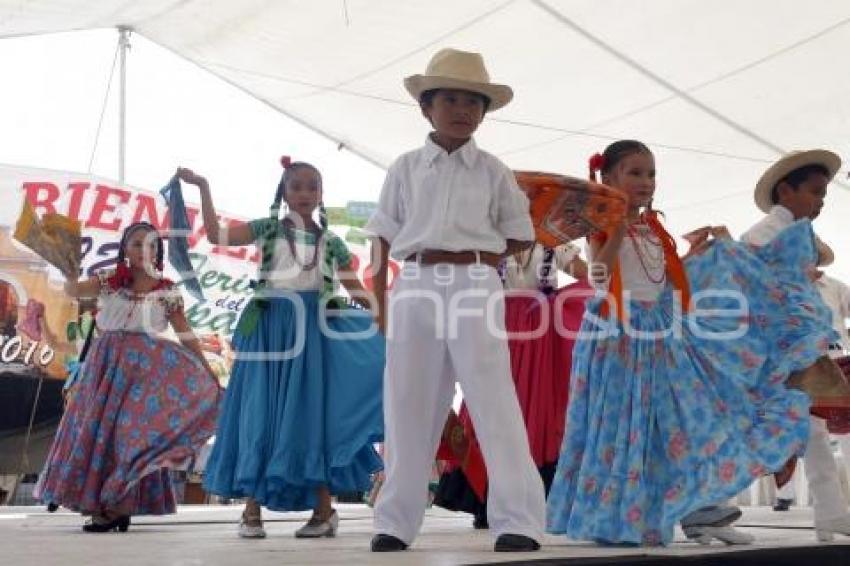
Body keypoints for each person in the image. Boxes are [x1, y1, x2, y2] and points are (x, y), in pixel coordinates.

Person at [547, 140, 825, 546]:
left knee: (691, 419)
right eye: (635, 173)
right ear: (608, 179)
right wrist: (618, 227)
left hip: (663, 332)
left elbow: (664, 284)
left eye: (651, 173)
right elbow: (600, 277)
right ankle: (629, 516)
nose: (646, 181)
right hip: (622, 336)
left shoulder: (654, 228)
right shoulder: (601, 224)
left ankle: (702, 510)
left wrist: (700, 258)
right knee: (631, 428)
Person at [366, 48, 546, 553]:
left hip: (473, 281)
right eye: (450, 99)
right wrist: (380, 302)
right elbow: (380, 236)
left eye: (473, 101)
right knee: (406, 402)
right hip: (416, 281)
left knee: (493, 397)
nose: (462, 109)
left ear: (484, 113)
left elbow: (519, 233)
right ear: (427, 107)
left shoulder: (493, 170)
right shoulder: (404, 167)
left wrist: (479, 259)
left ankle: (519, 520)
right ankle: (395, 521)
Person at [178, 158, 384, 539]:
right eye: (297, 187)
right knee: (260, 413)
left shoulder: (332, 242)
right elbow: (215, 234)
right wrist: (204, 187)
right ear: (284, 193)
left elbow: (354, 287)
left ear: (321, 194)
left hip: (314, 336)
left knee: (312, 418)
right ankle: (251, 513)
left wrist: (382, 320)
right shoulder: (268, 228)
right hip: (269, 328)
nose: (305, 194)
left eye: (312, 187)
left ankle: (324, 512)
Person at [35, 222, 221, 532]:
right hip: (105, 368)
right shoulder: (110, 281)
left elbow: (185, 333)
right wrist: (69, 272)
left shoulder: (167, 290)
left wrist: (206, 368)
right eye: (136, 244)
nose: (143, 250)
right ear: (124, 248)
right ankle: (111, 509)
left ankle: (117, 505)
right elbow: (74, 291)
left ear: (158, 252)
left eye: (151, 245)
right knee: (102, 436)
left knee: (129, 439)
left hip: (144, 375)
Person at [433, 244, 590, 528]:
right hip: (497, 328)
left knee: (535, 415)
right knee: (486, 407)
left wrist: (560, 300)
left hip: (539, 341)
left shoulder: (554, 246)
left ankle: (525, 499)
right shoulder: (493, 240)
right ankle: (483, 496)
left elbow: (591, 277)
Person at [740, 150, 850, 541]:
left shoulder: (800, 233)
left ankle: (832, 514)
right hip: (774, 351)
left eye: (824, 195)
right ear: (786, 190)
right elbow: (745, 276)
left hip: (799, 346)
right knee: (754, 429)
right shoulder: (764, 232)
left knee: (816, 427)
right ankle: (700, 503)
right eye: (815, 192)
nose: (820, 201)